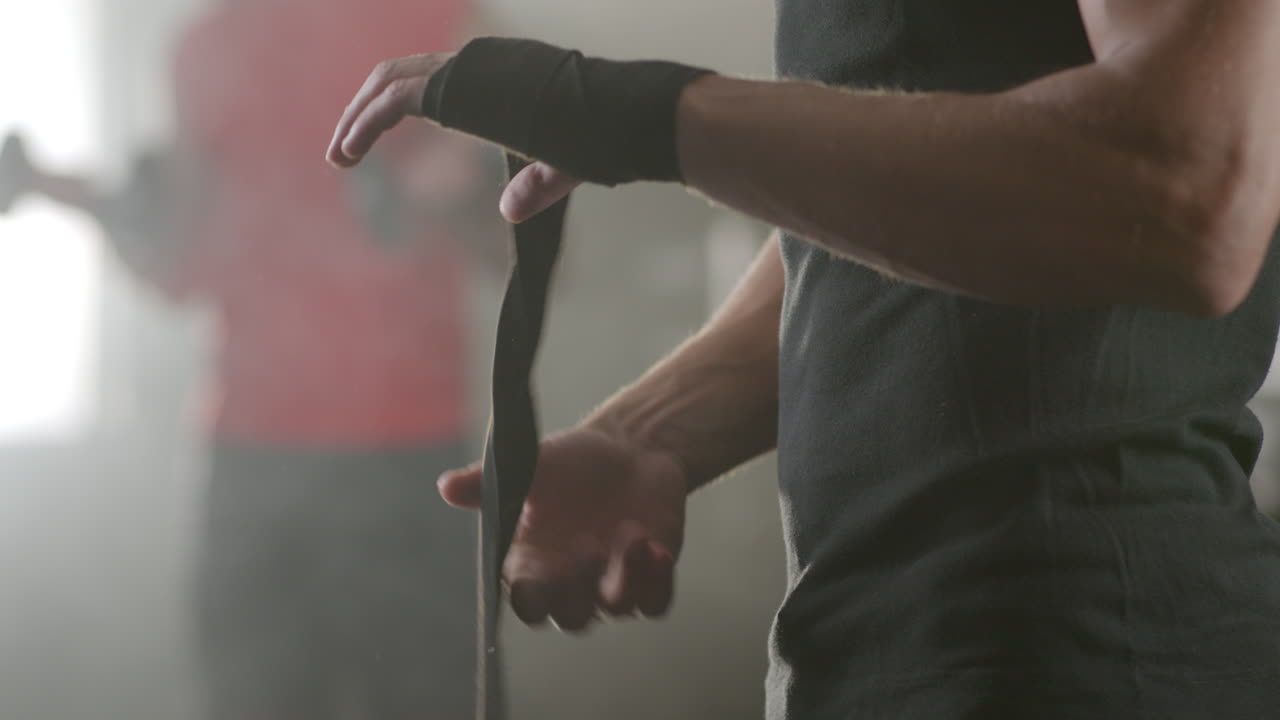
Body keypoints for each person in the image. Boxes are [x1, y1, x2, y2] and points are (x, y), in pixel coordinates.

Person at [330, 0, 1280, 718]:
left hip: (1084, 654)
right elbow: (935, 203)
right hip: (894, 653)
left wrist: (648, 115)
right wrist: (652, 428)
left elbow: (1189, 182)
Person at [1, 0, 504, 717]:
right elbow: (183, 267)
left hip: (410, 460)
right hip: (254, 461)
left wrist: (468, 177)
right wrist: (76, 197)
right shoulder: (207, 46)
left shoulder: (448, 21)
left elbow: (533, 242)